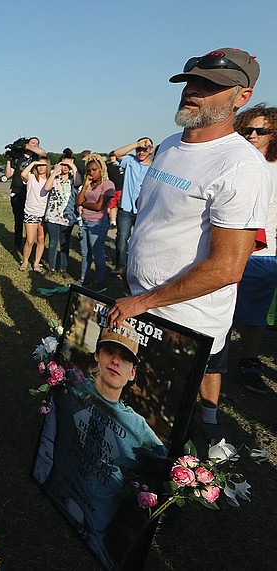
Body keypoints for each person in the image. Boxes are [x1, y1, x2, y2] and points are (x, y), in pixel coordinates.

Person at [108, 48, 272, 444]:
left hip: (186, 322)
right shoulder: (169, 145)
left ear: (241, 97)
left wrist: (143, 301)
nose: (194, 92)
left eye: (211, 86)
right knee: (130, 413)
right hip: (142, 304)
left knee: (162, 431)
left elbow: (226, 268)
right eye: (191, 82)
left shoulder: (240, 165)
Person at [35, 323, 167, 570]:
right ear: (97, 355)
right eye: (110, 351)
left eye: (125, 357)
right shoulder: (69, 389)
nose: (116, 361)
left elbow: (169, 469)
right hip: (54, 493)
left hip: (93, 533)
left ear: (132, 372)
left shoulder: (137, 427)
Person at [231, 103, 277, 394]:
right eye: (247, 129)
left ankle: (249, 360)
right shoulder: (235, 162)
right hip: (226, 249)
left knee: (254, 317)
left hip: (263, 254)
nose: (252, 135)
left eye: (261, 130)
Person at [110, 137, 154, 275]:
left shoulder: (154, 166)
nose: (141, 152)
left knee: (142, 240)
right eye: (139, 150)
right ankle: (121, 265)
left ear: (150, 150)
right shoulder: (130, 161)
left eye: (144, 149)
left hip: (144, 209)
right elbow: (116, 154)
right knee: (122, 237)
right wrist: (137, 143)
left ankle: (138, 266)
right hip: (126, 207)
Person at [75, 153, 115, 292]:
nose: (91, 173)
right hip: (84, 221)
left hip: (97, 223)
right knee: (85, 253)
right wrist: (85, 186)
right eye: (89, 170)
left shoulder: (108, 184)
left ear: (101, 169)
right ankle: (83, 279)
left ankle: (100, 282)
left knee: (97, 253)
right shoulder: (89, 184)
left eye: (94, 170)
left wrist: (84, 204)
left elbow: (99, 206)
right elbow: (77, 201)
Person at [7, 137, 47, 251]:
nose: (35, 145)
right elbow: (9, 174)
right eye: (32, 142)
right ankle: (18, 243)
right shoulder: (18, 157)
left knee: (33, 219)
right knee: (18, 219)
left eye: (37, 143)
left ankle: (31, 243)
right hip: (18, 189)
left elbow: (42, 152)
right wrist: (9, 159)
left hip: (32, 191)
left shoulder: (37, 157)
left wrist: (25, 146)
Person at [42, 159, 79, 277]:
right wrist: (55, 171)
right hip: (52, 215)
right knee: (53, 242)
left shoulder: (72, 180)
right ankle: (52, 267)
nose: (65, 167)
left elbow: (78, 182)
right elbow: (46, 188)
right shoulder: (55, 178)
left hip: (67, 216)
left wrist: (72, 165)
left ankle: (63, 268)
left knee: (65, 243)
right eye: (63, 165)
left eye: (68, 165)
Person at [19, 158, 51, 272]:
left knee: (41, 239)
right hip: (31, 212)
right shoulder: (31, 177)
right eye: (39, 165)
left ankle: (36, 263)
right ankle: (25, 261)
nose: (41, 167)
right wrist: (33, 163)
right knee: (30, 240)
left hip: (43, 213)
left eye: (44, 165)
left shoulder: (49, 179)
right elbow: (23, 174)